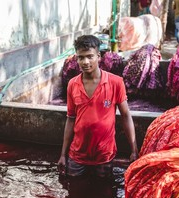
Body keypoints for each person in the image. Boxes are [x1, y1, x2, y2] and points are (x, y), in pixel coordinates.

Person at [57, 35, 139, 179]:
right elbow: (70, 119)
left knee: (104, 193)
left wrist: (134, 149)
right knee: (73, 192)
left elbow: (126, 116)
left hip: (104, 155)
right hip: (77, 155)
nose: (85, 62)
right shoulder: (72, 84)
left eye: (90, 56)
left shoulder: (115, 82)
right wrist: (63, 154)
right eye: (81, 57)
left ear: (98, 56)